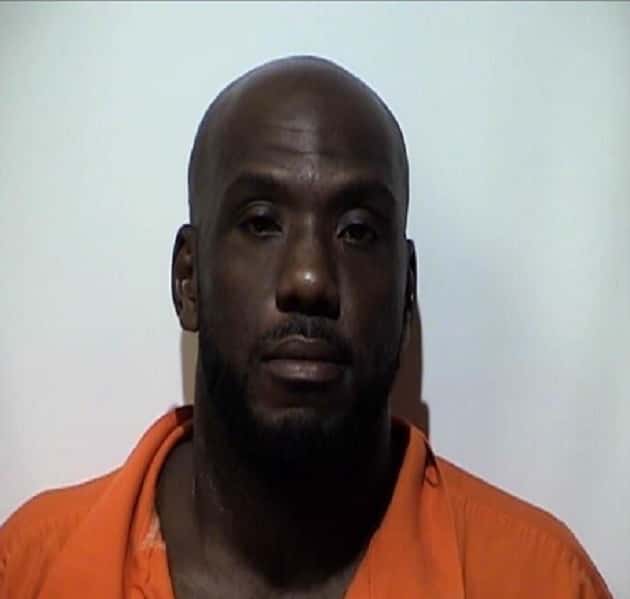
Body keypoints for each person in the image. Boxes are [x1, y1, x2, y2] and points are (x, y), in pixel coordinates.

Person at [0, 56, 611, 599]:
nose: (310, 278)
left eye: (357, 231)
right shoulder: (27, 571)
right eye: (261, 223)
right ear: (189, 280)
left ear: (406, 291)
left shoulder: (544, 582)